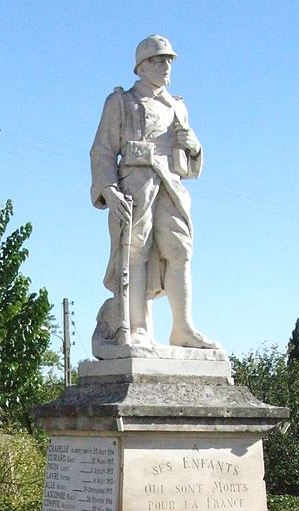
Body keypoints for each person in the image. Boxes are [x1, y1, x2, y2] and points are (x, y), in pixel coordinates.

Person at [90, 35, 218, 355]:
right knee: (135, 252)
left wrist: (194, 147)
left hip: (171, 185)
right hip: (135, 184)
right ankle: (137, 329)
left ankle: (182, 327)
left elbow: (190, 165)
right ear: (142, 67)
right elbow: (102, 152)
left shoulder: (177, 106)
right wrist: (108, 189)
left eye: (169, 61)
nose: (166, 66)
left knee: (180, 251)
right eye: (159, 60)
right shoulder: (121, 102)